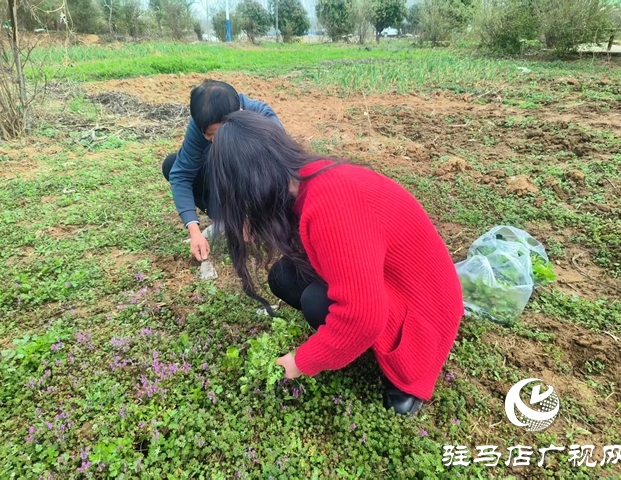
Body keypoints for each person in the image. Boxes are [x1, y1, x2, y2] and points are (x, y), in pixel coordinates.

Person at [208, 111, 464, 416]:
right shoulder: (308, 178)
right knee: (284, 277)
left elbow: (363, 315)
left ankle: (403, 372)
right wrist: (258, 219)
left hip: (425, 310)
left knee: (319, 302)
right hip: (396, 282)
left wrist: (301, 362)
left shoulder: (332, 203)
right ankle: (350, 345)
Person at [162, 80, 284, 261]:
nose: (210, 140)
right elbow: (181, 174)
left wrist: (258, 215)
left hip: (258, 181)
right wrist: (194, 231)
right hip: (227, 179)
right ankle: (228, 220)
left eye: (215, 134)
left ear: (237, 116)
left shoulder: (263, 120)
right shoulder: (204, 124)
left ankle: (262, 222)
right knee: (172, 164)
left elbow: (281, 174)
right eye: (206, 134)